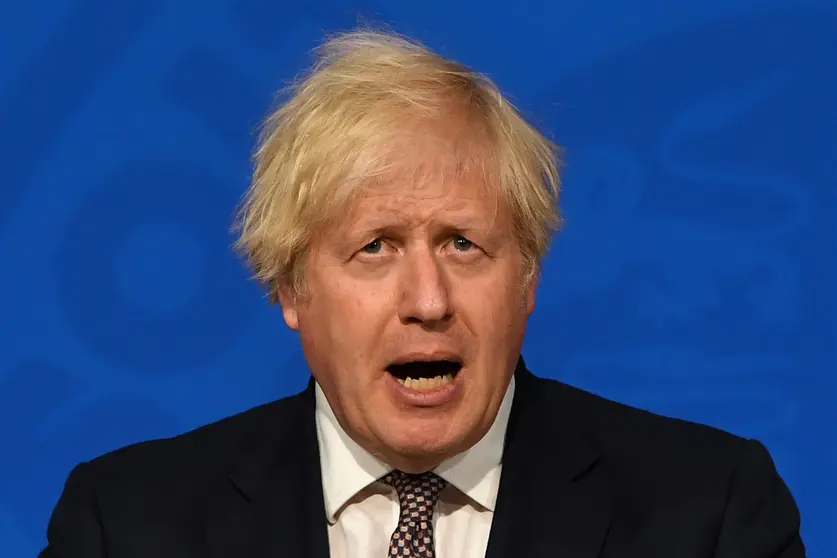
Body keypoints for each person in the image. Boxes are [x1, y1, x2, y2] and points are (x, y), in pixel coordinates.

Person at [40, 29, 804, 558]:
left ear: (528, 276)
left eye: (462, 244)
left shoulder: (710, 513)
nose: (428, 300)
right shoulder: (128, 525)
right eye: (375, 248)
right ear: (291, 287)